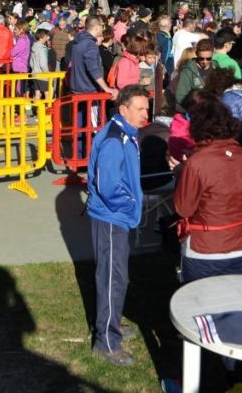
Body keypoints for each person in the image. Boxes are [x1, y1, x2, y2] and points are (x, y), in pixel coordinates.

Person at [86, 85, 150, 366]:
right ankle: (107, 342)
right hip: (112, 219)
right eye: (140, 109)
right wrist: (130, 204)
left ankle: (111, 322)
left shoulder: (125, 133)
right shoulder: (114, 140)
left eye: (147, 108)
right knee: (113, 278)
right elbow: (108, 186)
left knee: (116, 276)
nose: (146, 114)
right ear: (124, 109)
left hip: (116, 217)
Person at [173, 96, 242, 283]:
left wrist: (182, 173)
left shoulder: (197, 163)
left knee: (199, 299)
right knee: (235, 298)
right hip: (240, 243)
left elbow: (183, 208)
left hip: (206, 248)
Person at [175, 39, 217, 108]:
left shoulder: (216, 66)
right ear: (196, 54)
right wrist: (195, 107)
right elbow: (180, 96)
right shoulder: (188, 71)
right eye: (201, 58)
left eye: (208, 58)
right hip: (196, 110)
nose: (205, 62)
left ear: (212, 54)